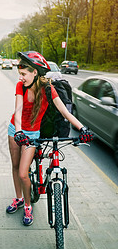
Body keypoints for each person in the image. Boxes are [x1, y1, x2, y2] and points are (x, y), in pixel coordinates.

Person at [6, 51, 92, 226]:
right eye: (19, 74)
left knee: (23, 173)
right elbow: (19, 111)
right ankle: (18, 199)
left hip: (32, 134)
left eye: (23, 74)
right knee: (15, 166)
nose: (21, 77)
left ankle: (28, 206)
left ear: (35, 72)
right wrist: (19, 131)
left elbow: (64, 111)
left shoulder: (48, 89)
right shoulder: (20, 87)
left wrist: (82, 128)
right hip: (16, 129)